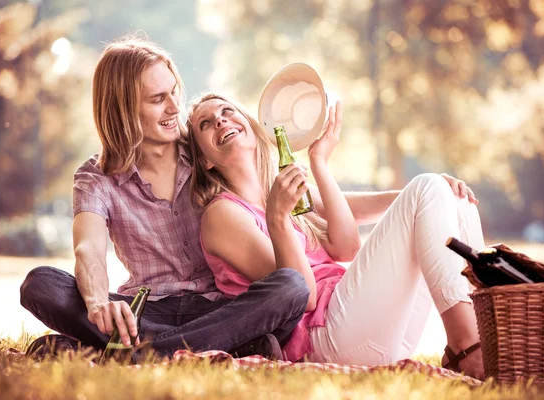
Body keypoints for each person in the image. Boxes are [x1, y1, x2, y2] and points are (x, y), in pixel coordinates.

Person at [19, 36, 310, 361]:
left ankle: (130, 354)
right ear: (124, 108)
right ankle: (222, 347)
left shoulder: (203, 149)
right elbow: (88, 249)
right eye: (158, 99)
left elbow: (265, 181)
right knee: (40, 284)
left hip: (221, 309)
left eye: (174, 92)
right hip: (143, 311)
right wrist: (99, 302)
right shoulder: (96, 178)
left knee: (291, 287)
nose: (174, 108)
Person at [186, 92, 486, 379]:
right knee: (429, 187)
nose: (221, 121)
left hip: (361, 327)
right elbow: (302, 295)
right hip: (323, 336)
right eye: (206, 123)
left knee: (455, 199)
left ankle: (486, 339)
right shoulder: (222, 214)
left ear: (250, 126)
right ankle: (467, 345)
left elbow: (347, 248)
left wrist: (319, 162)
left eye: (227, 111)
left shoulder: (278, 191)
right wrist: (277, 218)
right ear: (205, 161)